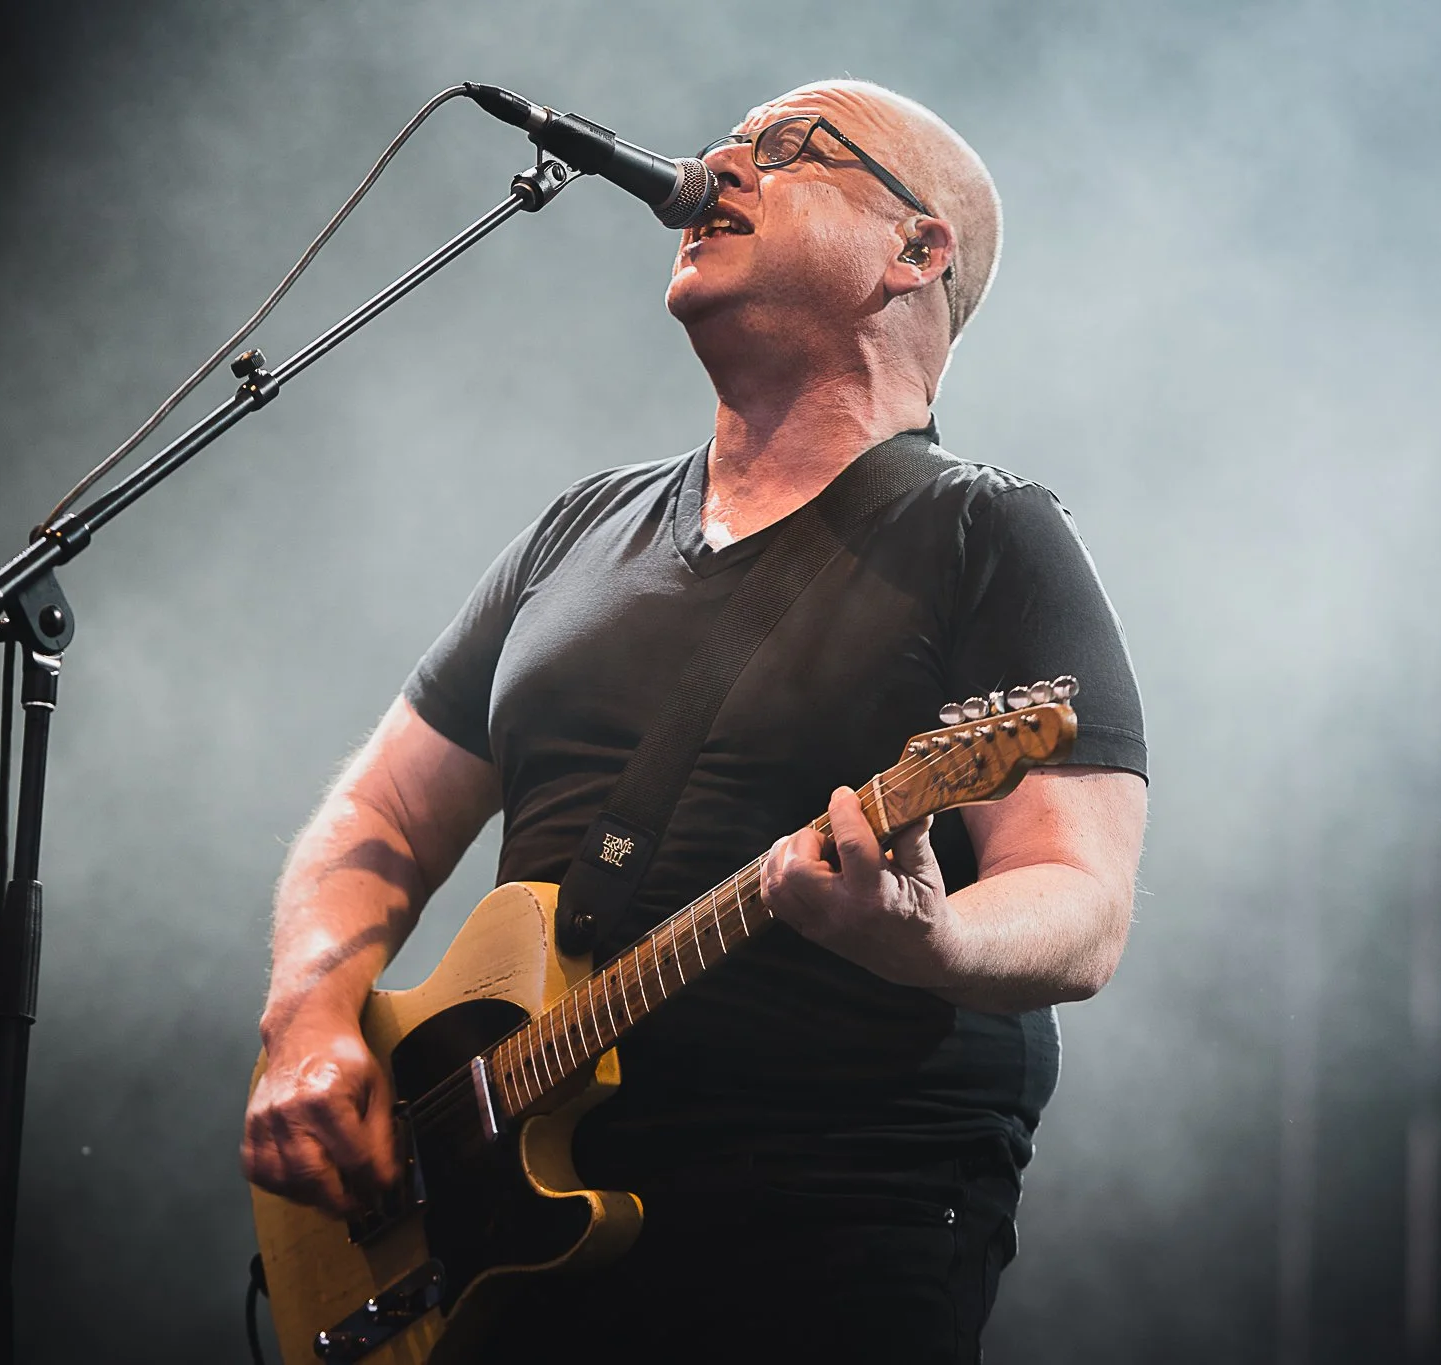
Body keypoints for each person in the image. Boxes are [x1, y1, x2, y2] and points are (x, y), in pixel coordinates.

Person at [242, 79, 1148, 1363]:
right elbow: (381, 807)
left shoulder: (986, 530)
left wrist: (928, 936)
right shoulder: (578, 528)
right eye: (729, 140)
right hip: (492, 1245)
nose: (721, 162)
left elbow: (1080, 902)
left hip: (815, 1241)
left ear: (914, 249)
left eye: (788, 148)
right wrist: (307, 1018)